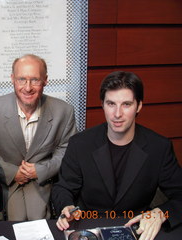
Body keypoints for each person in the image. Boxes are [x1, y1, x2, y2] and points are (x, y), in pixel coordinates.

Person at [52, 71, 182, 240]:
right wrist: (66, 206)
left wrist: (161, 212)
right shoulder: (80, 143)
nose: (117, 114)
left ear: (139, 106)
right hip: (89, 227)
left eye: (126, 104)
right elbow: (63, 187)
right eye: (111, 104)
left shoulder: (159, 147)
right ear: (103, 105)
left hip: (137, 227)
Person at [0, 54, 77, 220]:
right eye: (22, 79)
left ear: (45, 80)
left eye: (35, 80)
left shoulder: (64, 111)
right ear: (12, 79)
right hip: (6, 182)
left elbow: (67, 150)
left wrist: (40, 170)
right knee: (13, 225)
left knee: (41, 225)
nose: (28, 87)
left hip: (43, 182)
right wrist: (12, 172)